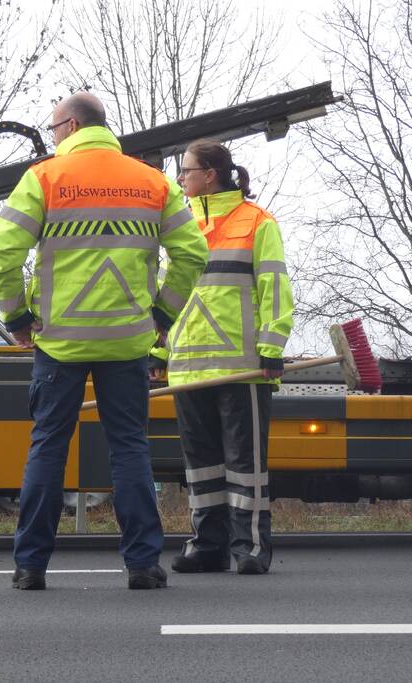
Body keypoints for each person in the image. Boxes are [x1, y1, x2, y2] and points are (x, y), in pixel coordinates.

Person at [0, 93, 208, 590]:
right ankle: (143, 566)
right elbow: (192, 254)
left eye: (52, 129)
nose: (52, 137)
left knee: (48, 447)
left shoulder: (45, 178)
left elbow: (3, 250)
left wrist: (16, 315)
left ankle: (30, 568)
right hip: (128, 342)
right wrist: (161, 313)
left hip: (58, 341)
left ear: (70, 125)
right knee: (130, 449)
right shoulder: (152, 182)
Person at [152, 139, 293, 575]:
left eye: (186, 171)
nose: (180, 179)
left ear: (210, 174)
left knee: (244, 465)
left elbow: (276, 289)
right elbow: (167, 294)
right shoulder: (180, 225)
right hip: (189, 368)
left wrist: (271, 350)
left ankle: (250, 547)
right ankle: (207, 545)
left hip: (243, 367)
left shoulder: (257, 222)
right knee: (200, 465)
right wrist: (157, 351)